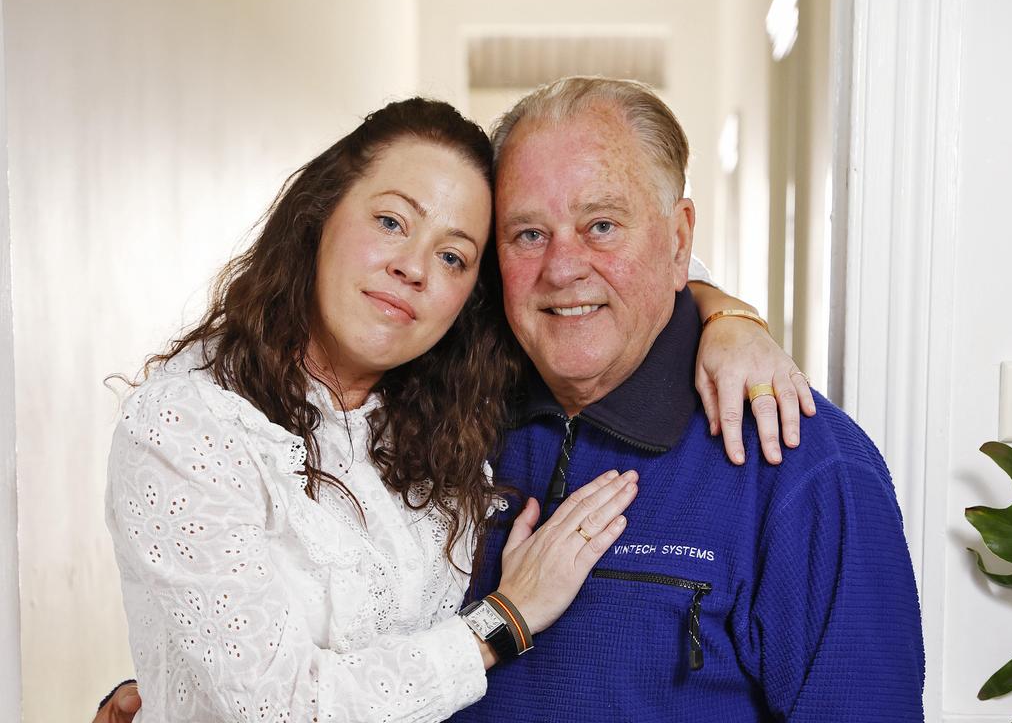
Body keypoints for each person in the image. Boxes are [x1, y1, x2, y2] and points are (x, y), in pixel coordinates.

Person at [99, 95, 812, 722]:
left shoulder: (445, 404)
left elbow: (607, 267)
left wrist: (731, 319)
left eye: (454, 257)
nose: (413, 267)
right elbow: (279, 707)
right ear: (318, 215)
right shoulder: (186, 426)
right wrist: (506, 619)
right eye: (389, 221)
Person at [447, 77, 925, 722]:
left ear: (679, 242)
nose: (561, 268)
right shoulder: (444, 421)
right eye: (528, 233)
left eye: (602, 225)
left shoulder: (805, 463)